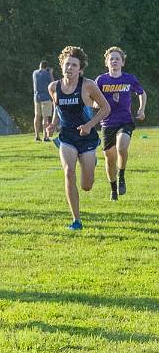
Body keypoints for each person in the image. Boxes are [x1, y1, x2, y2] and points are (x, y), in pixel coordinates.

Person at [46, 46, 110, 230]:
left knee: (87, 185)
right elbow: (57, 108)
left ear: (80, 69)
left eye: (74, 65)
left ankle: (90, 163)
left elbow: (106, 108)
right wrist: (53, 125)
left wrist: (89, 125)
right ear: (62, 66)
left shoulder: (88, 85)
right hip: (67, 137)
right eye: (67, 64)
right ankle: (76, 220)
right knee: (68, 172)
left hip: (87, 138)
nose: (70, 68)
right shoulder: (53, 87)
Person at [95, 46, 147, 201]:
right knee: (109, 158)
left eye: (117, 59)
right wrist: (96, 104)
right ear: (107, 62)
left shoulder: (129, 79)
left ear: (122, 63)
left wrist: (142, 109)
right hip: (107, 123)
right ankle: (113, 189)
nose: (114, 61)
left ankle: (122, 175)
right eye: (111, 59)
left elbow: (142, 93)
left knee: (122, 146)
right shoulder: (101, 80)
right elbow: (92, 97)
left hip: (125, 120)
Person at [32, 60, 53, 142]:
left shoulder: (35, 73)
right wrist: (50, 73)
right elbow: (52, 83)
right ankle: (45, 136)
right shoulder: (47, 74)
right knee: (45, 118)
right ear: (46, 67)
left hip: (37, 97)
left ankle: (37, 135)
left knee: (37, 117)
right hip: (46, 97)